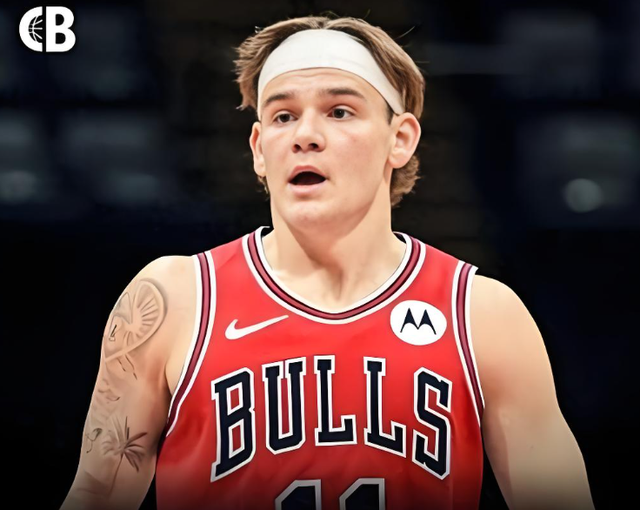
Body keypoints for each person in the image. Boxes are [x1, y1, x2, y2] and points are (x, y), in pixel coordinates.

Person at [61, 15, 595, 510]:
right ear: (258, 148)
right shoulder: (175, 298)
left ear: (400, 139)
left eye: (340, 111)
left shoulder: (482, 314)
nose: (305, 136)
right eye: (283, 116)